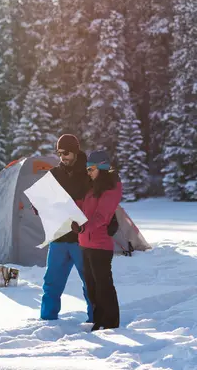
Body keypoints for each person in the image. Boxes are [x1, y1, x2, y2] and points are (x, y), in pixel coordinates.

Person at [40, 134, 93, 322]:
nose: (63, 156)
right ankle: (48, 321)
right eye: (59, 152)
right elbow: (45, 201)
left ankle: (97, 321)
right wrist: (38, 206)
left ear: (76, 151)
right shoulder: (54, 175)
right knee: (51, 283)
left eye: (66, 152)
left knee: (90, 283)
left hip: (83, 240)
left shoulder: (89, 174)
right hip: (59, 238)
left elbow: (98, 204)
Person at [72, 150, 122, 331]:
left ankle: (111, 323)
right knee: (91, 287)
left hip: (100, 245)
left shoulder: (111, 188)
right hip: (85, 243)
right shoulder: (92, 188)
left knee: (103, 286)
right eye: (87, 170)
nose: (89, 173)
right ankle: (99, 320)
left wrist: (84, 227)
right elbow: (82, 208)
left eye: (91, 169)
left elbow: (102, 216)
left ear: (102, 167)